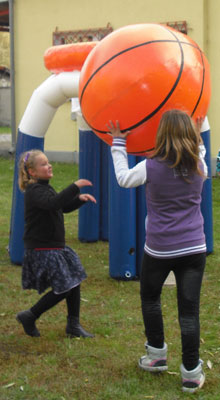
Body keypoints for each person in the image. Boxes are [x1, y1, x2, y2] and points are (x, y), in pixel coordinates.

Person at [108, 109, 208, 394]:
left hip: (160, 249)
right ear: (189, 133)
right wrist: (198, 138)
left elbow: (124, 179)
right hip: (193, 248)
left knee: (150, 298)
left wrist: (118, 143)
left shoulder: (150, 166)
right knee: (189, 311)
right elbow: (198, 152)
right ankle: (191, 373)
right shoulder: (198, 163)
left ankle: (156, 356)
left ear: (161, 133)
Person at [16, 149, 96, 339]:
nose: (49, 165)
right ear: (32, 172)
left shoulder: (45, 188)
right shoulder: (34, 191)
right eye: (43, 164)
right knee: (65, 287)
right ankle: (30, 315)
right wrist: (75, 186)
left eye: (48, 162)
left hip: (55, 247)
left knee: (74, 279)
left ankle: (73, 325)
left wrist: (78, 200)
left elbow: (60, 205)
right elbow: (53, 203)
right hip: (42, 248)